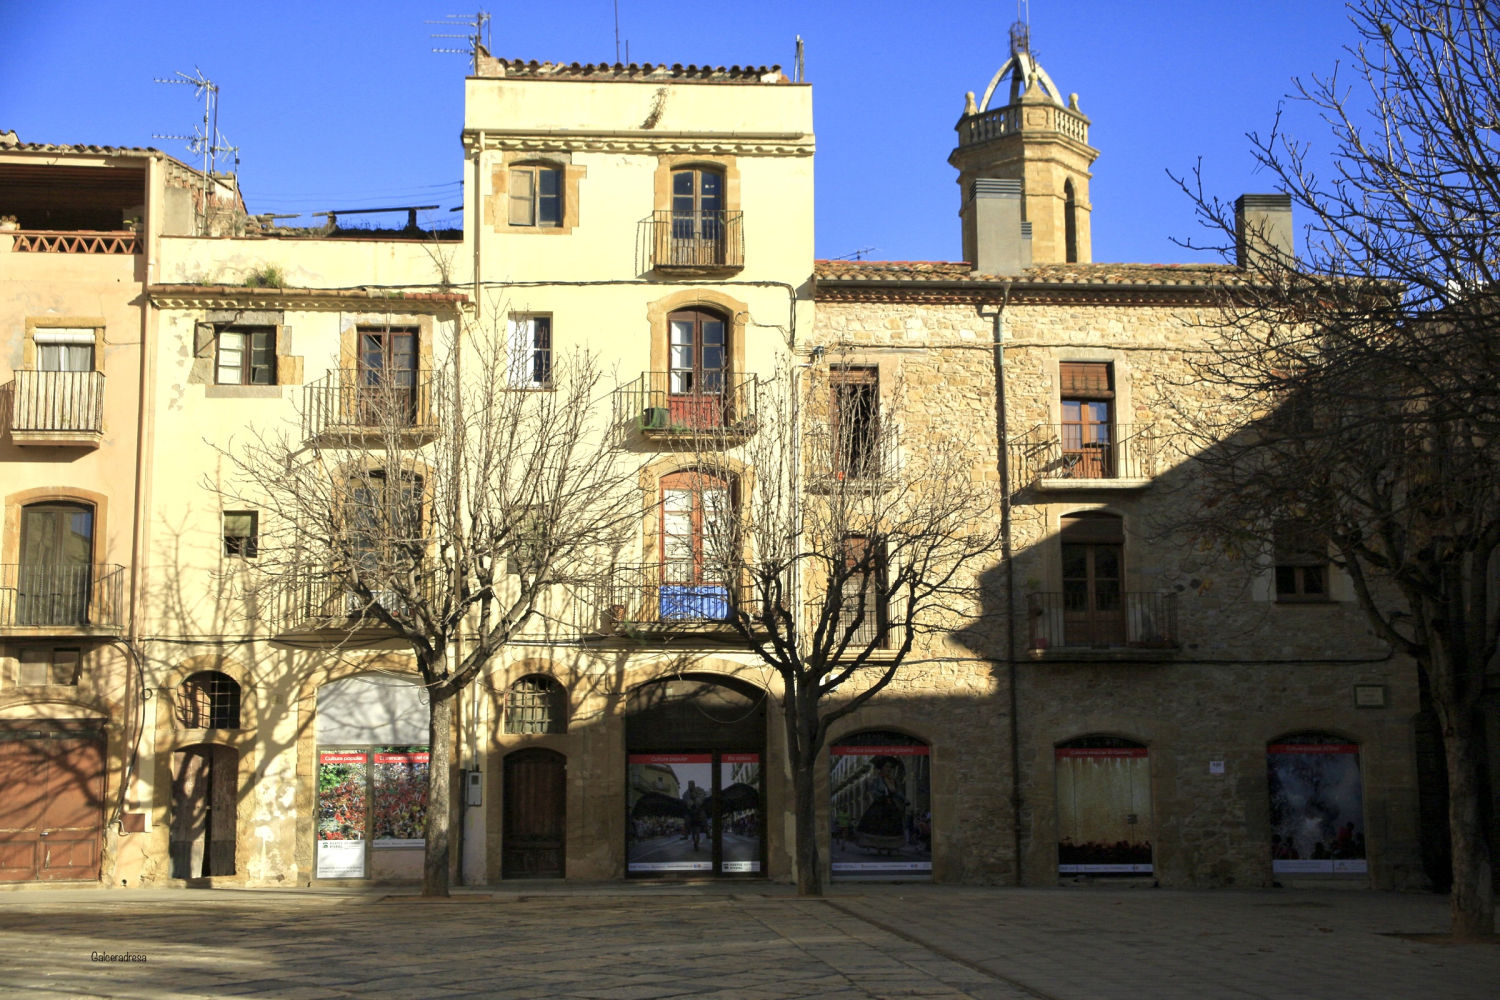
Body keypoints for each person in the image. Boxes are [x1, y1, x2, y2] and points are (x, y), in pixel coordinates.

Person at [682, 780, 709, 851]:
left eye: (691, 784)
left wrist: (697, 799)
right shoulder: (686, 793)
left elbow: (703, 795)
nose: (690, 785)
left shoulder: (699, 790)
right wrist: (690, 803)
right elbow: (685, 798)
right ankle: (686, 834)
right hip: (690, 811)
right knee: (686, 818)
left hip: (699, 810)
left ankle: (707, 831)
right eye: (689, 784)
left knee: (703, 815)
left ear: (694, 784)